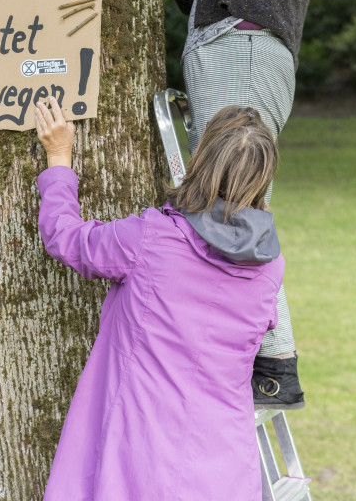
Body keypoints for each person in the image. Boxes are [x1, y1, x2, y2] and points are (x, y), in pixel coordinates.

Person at [36, 98, 284, 501]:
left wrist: (60, 156)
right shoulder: (271, 268)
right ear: (262, 179)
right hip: (224, 462)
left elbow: (67, 238)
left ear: (201, 160)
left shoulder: (150, 237)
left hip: (142, 448)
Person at [162, 0, 341, 409]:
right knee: (234, 205)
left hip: (241, 60)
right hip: (240, 58)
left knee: (235, 208)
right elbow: (198, 0)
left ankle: (275, 363)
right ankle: (266, 356)